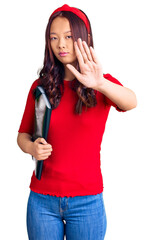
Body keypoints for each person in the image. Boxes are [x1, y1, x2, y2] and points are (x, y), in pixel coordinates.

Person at [17, 4, 137, 240]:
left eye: (69, 37)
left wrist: (100, 83)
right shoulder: (40, 87)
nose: (60, 44)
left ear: (85, 38)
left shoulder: (102, 84)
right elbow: (22, 135)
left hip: (87, 201)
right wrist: (31, 147)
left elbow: (131, 101)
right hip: (42, 200)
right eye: (53, 37)